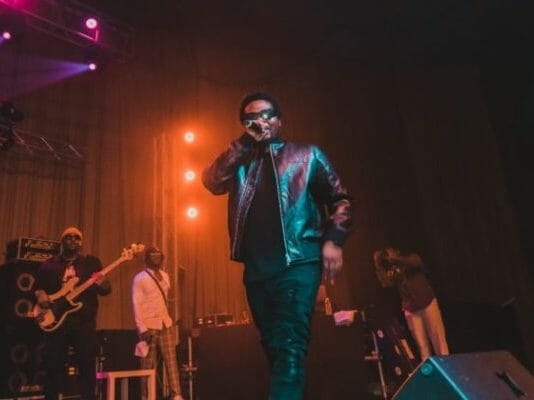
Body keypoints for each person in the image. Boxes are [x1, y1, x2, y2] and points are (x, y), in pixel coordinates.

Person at [202, 92, 352, 399]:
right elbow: (212, 181)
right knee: (274, 346)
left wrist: (333, 240)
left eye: (267, 114)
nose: (260, 121)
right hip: (257, 269)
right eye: (251, 118)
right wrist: (243, 143)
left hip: (299, 261)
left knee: (289, 344)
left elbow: (341, 200)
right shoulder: (240, 161)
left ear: (280, 121)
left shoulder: (307, 155)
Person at [34, 226, 111, 400]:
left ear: (81, 243)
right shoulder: (49, 265)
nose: (73, 240)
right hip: (56, 322)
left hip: (83, 321)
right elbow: (38, 288)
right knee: (52, 364)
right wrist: (40, 294)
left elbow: (105, 290)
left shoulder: (91, 263)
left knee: (86, 364)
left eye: (77, 238)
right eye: (69, 237)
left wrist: (104, 284)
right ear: (62, 242)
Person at [373, 247, 449, 361]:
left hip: (427, 302)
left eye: (390, 251)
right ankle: (428, 370)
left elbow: (418, 262)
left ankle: (446, 367)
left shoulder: (409, 259)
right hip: (411, 309)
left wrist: (396, 258)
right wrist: (378, 265)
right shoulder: (392, 269)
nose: (389, 255)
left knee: (439, 341)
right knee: (422, 347)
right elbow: (386, 283)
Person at [132, 246, 183, 400]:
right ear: (147, 258)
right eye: (153, 254)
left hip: (165, 323)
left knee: (171, 361)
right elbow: (136, 304)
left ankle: (176, 394)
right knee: (147, 364)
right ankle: (146, 396)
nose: (156, 257)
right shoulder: (140, 278)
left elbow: (165, 298)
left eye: (159, 254)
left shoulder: (165, 276)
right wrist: (142, 328)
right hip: (148, 326)